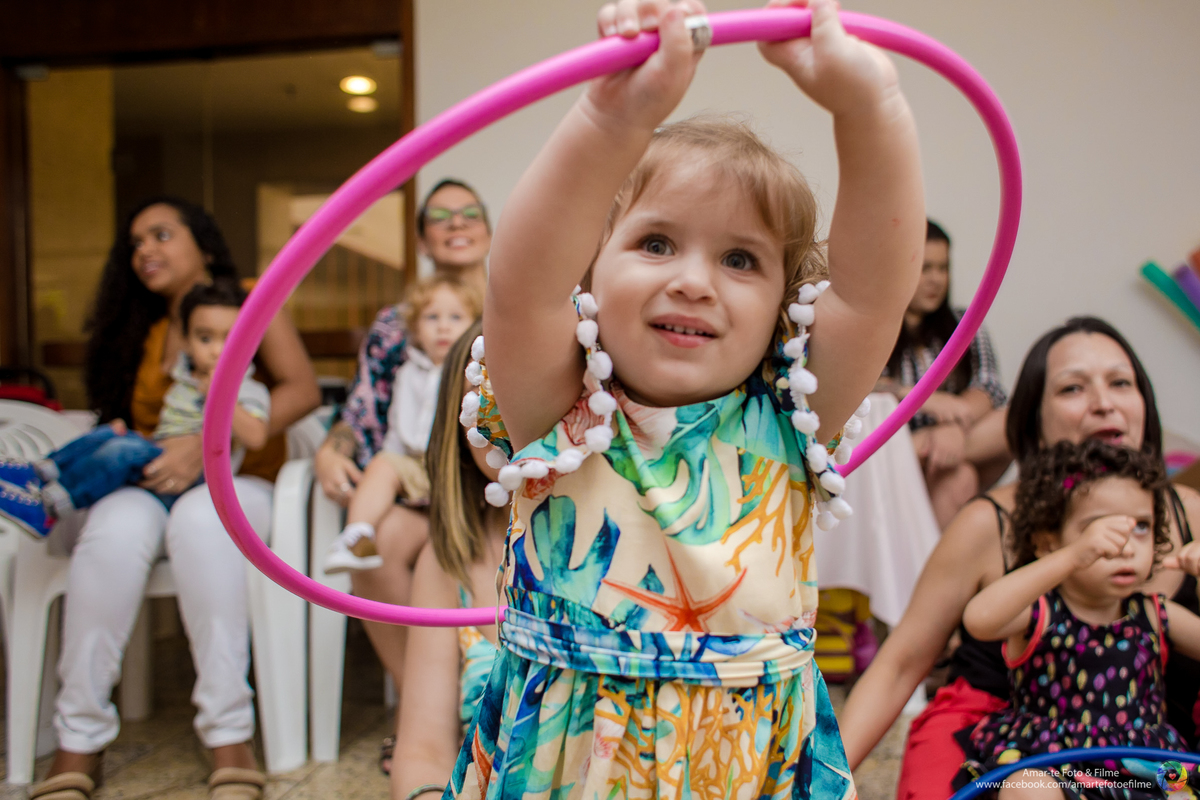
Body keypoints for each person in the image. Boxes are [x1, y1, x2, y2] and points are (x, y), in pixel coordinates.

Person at [448, 0, 925, 793]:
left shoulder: (795, 412)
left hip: (747, 766)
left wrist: (869, 104)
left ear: (784, 303)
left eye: (741, 260)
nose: (694, 281)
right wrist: (614, 115)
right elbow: (520, 283)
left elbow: (877, 292)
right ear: (591, 270)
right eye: (656, 243)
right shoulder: (564, 412)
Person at [27, 196, 319, 800]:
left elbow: (303, 389)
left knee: (203, 522)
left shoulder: (247, 298)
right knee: (111, 528)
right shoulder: (144, 328)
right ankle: (77, 739)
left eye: (160, 235)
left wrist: (207, 443)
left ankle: (228, 734)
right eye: (135, 244)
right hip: (154, 484)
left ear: (203, 246)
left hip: (239, 481)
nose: (145, 252)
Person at [838, 316, 1200, 800]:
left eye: (1120, 382)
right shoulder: (989, 522)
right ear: (1033, 419)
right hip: (1026, 752)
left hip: (1153, 757)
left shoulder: (1192, 512)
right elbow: (901, 664)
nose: (1103, 402)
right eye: (1073, 388)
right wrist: (823, 777)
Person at [310, 177, 491, 773]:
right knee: (377, 544)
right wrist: (333, 449)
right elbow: (362, 410)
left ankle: (487, 702)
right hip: (419, 483)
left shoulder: (516, 304)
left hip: (492, 485)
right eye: (442, 216)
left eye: (470, 213)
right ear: (421, 239)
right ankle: (428, 715)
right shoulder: (397, 325)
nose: (457, 223)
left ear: (489, 232)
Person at [954, 440, 1195, 798]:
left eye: (1141, 526)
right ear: (1049, 541)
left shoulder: (1154, 613)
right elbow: (980, 619)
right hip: (1055, 763)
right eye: (1100, 528)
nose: (1125, 545)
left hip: (1144, 769)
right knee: (1026, 788)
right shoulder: (1041, 611)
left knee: (1182, 790)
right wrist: (1073, 556)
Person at [0, 279, 269, 535]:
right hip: (156, 454)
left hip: (197, 478)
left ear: (249, 344)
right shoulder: (186, 376)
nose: (217, 351)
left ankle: (49, 508)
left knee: (122, 449)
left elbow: (256, 437)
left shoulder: (246, 388)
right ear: (186, 341)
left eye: (231, 339)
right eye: (205, 338)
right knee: (110, 433)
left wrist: (221, 396)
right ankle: (40, 472)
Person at [390, 321, 503, 800]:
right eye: (487, 403)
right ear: (460, 432)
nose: (511, 421)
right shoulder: (448, 561)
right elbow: (423, 751)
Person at [323, 277, 481, 574]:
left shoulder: (472, 375)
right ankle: (356, 536)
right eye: (432, 317)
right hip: (415, 466)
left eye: (456, 318)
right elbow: (396, 430)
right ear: (415, 330)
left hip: (454, 469)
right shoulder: (407, 373)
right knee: (382, 465)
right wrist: (386, 468)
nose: (443, 327)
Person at [875, 220, 1010, 527]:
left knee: (1012, 422)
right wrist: (924, 400)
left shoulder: (965, 321)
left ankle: (933, 571)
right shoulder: (876, 328)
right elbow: (861, 389)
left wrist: (952, 429)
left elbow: (988, 386)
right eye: (925, 268)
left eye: (943, 268)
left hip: (952, 451)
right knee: (959, 476)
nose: (936, 280)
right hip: (895, 455)